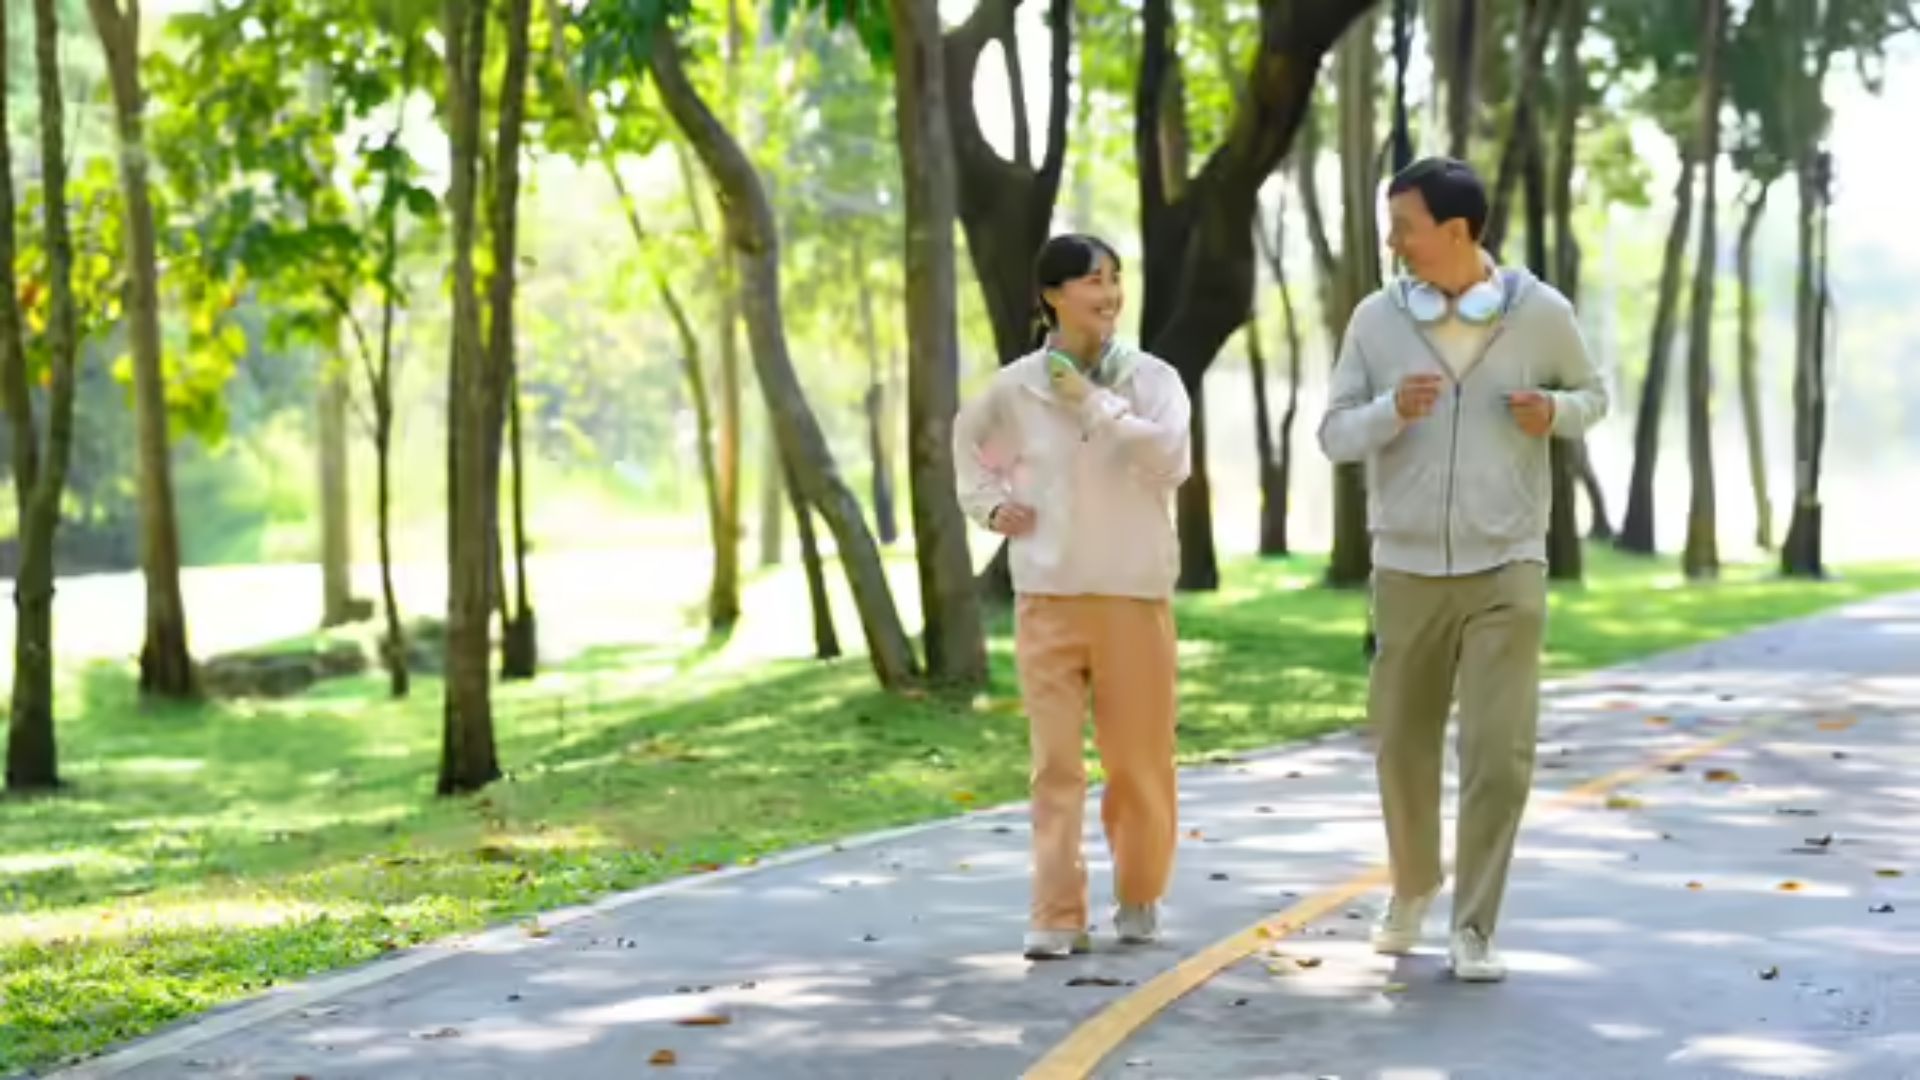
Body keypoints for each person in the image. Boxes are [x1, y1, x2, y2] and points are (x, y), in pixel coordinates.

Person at [1318, 157, 1607, 982]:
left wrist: (1555, 412)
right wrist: (1389, 412)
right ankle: (1412, 887)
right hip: (1406, 566)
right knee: (1401, 746)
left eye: (1404, 226)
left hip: (1507, 560)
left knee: (1498, 753)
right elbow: (1334, 433)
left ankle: (1475, 926)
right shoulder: (1377, 319)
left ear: (1456, 230)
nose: (1392, 241)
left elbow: (1594, 396)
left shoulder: (1541, 313)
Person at [952, 234, 1192, 960]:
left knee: (1139, 763)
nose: (1110, 294)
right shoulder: (1015, 389)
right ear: (1052, 295)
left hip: (1132, 595)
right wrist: (991, 507)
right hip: (1047, 595)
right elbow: (970, 450)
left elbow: (1170, 459)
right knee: (1055, 766)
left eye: (1115, 278)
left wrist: (1091, 403)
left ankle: (1140, 893)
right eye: (1093, 280)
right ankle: (1056, 913)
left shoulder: (1151, 379)